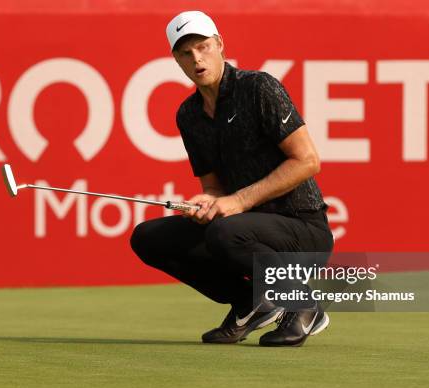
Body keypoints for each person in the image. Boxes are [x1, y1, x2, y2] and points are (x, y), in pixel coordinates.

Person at [130, 11, 334, 347]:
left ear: (220, 45)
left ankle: (304, 305)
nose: (197, 58)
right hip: (245, 229)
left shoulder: (259, 88)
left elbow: (308, 161)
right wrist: (207, 203)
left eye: (203, 47)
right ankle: (249, 302)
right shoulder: (189, 114)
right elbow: (214, 189)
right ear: (176, 60)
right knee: (148, 237)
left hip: (302, 230)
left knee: (224, 231)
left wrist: (237, 202)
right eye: (186, 53)